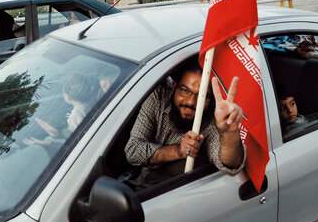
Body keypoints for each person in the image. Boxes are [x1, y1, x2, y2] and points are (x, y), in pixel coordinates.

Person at [125, 59, 245, 188]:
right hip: (145, 189)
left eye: (202, 96)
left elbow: (230, 164)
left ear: (210, 100)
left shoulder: (213, 120)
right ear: (174, 87)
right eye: (185, 90)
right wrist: (178, 151)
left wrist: (229, 132)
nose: (191, 102)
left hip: (185, 196)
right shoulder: (157, 99)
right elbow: (133, 150)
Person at [23, 73, 100, 148]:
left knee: (47, 139)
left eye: (63, 92)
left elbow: (74, 142)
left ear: (69, 97)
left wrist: (53, 136)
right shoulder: (90, 103)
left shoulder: (76, 116)